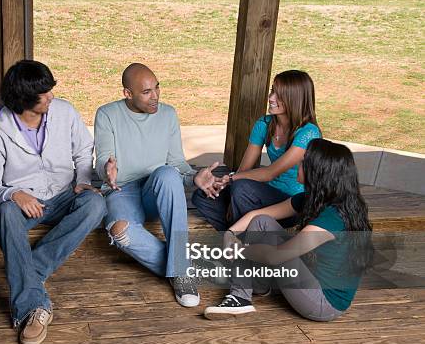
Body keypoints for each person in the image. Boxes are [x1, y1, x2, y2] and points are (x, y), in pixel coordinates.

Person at [0, 60, 107, 344]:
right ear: (24, 99)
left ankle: (29, 272)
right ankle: (32, 306)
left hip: (66, 193)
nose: (52, 96)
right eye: (44, 93)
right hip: (26, 203)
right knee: (6, 212)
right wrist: (13, 194)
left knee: (96, 205)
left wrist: (84, 180)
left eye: (51, 90)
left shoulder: (64, 111)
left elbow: (84, 150)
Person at [94, 63, 224, 307]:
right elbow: (103, 159)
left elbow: (177, 165)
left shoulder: (168, 114)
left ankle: (181, 270)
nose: (155, 97)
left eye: (157, 88)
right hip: (121, 191)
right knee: (119, 230)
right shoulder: (107, 114)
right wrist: (106, 170)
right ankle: (182, 264)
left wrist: (193, 178)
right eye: (146, 92)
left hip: (157, 189)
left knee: (167, 173)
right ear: (127, 94)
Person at [204, 139, 372, 321]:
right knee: (262, 222)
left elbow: (276, 256)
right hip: (308, 276)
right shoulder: (313, 199)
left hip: (323, 303)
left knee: (273, 252)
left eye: (303, 161)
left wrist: (237, 249)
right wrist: (230, 234)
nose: (298, 164)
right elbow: (257, 215)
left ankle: (240, 297)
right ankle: (257, 285)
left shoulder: (333, 218)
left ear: (317, 171)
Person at [193, 70, 322, 231]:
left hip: (293, 203)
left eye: (279, 95)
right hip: (265, 194)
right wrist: (222, 184)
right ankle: (236, 234)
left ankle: (237, 238)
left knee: (242, 189)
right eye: (272, 90)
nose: (271, 98)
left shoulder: (308, 133)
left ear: (295, 99)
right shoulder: (264, 124)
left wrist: (232, 179)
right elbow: (244, 169)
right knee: (203, 196)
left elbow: (270, 173)